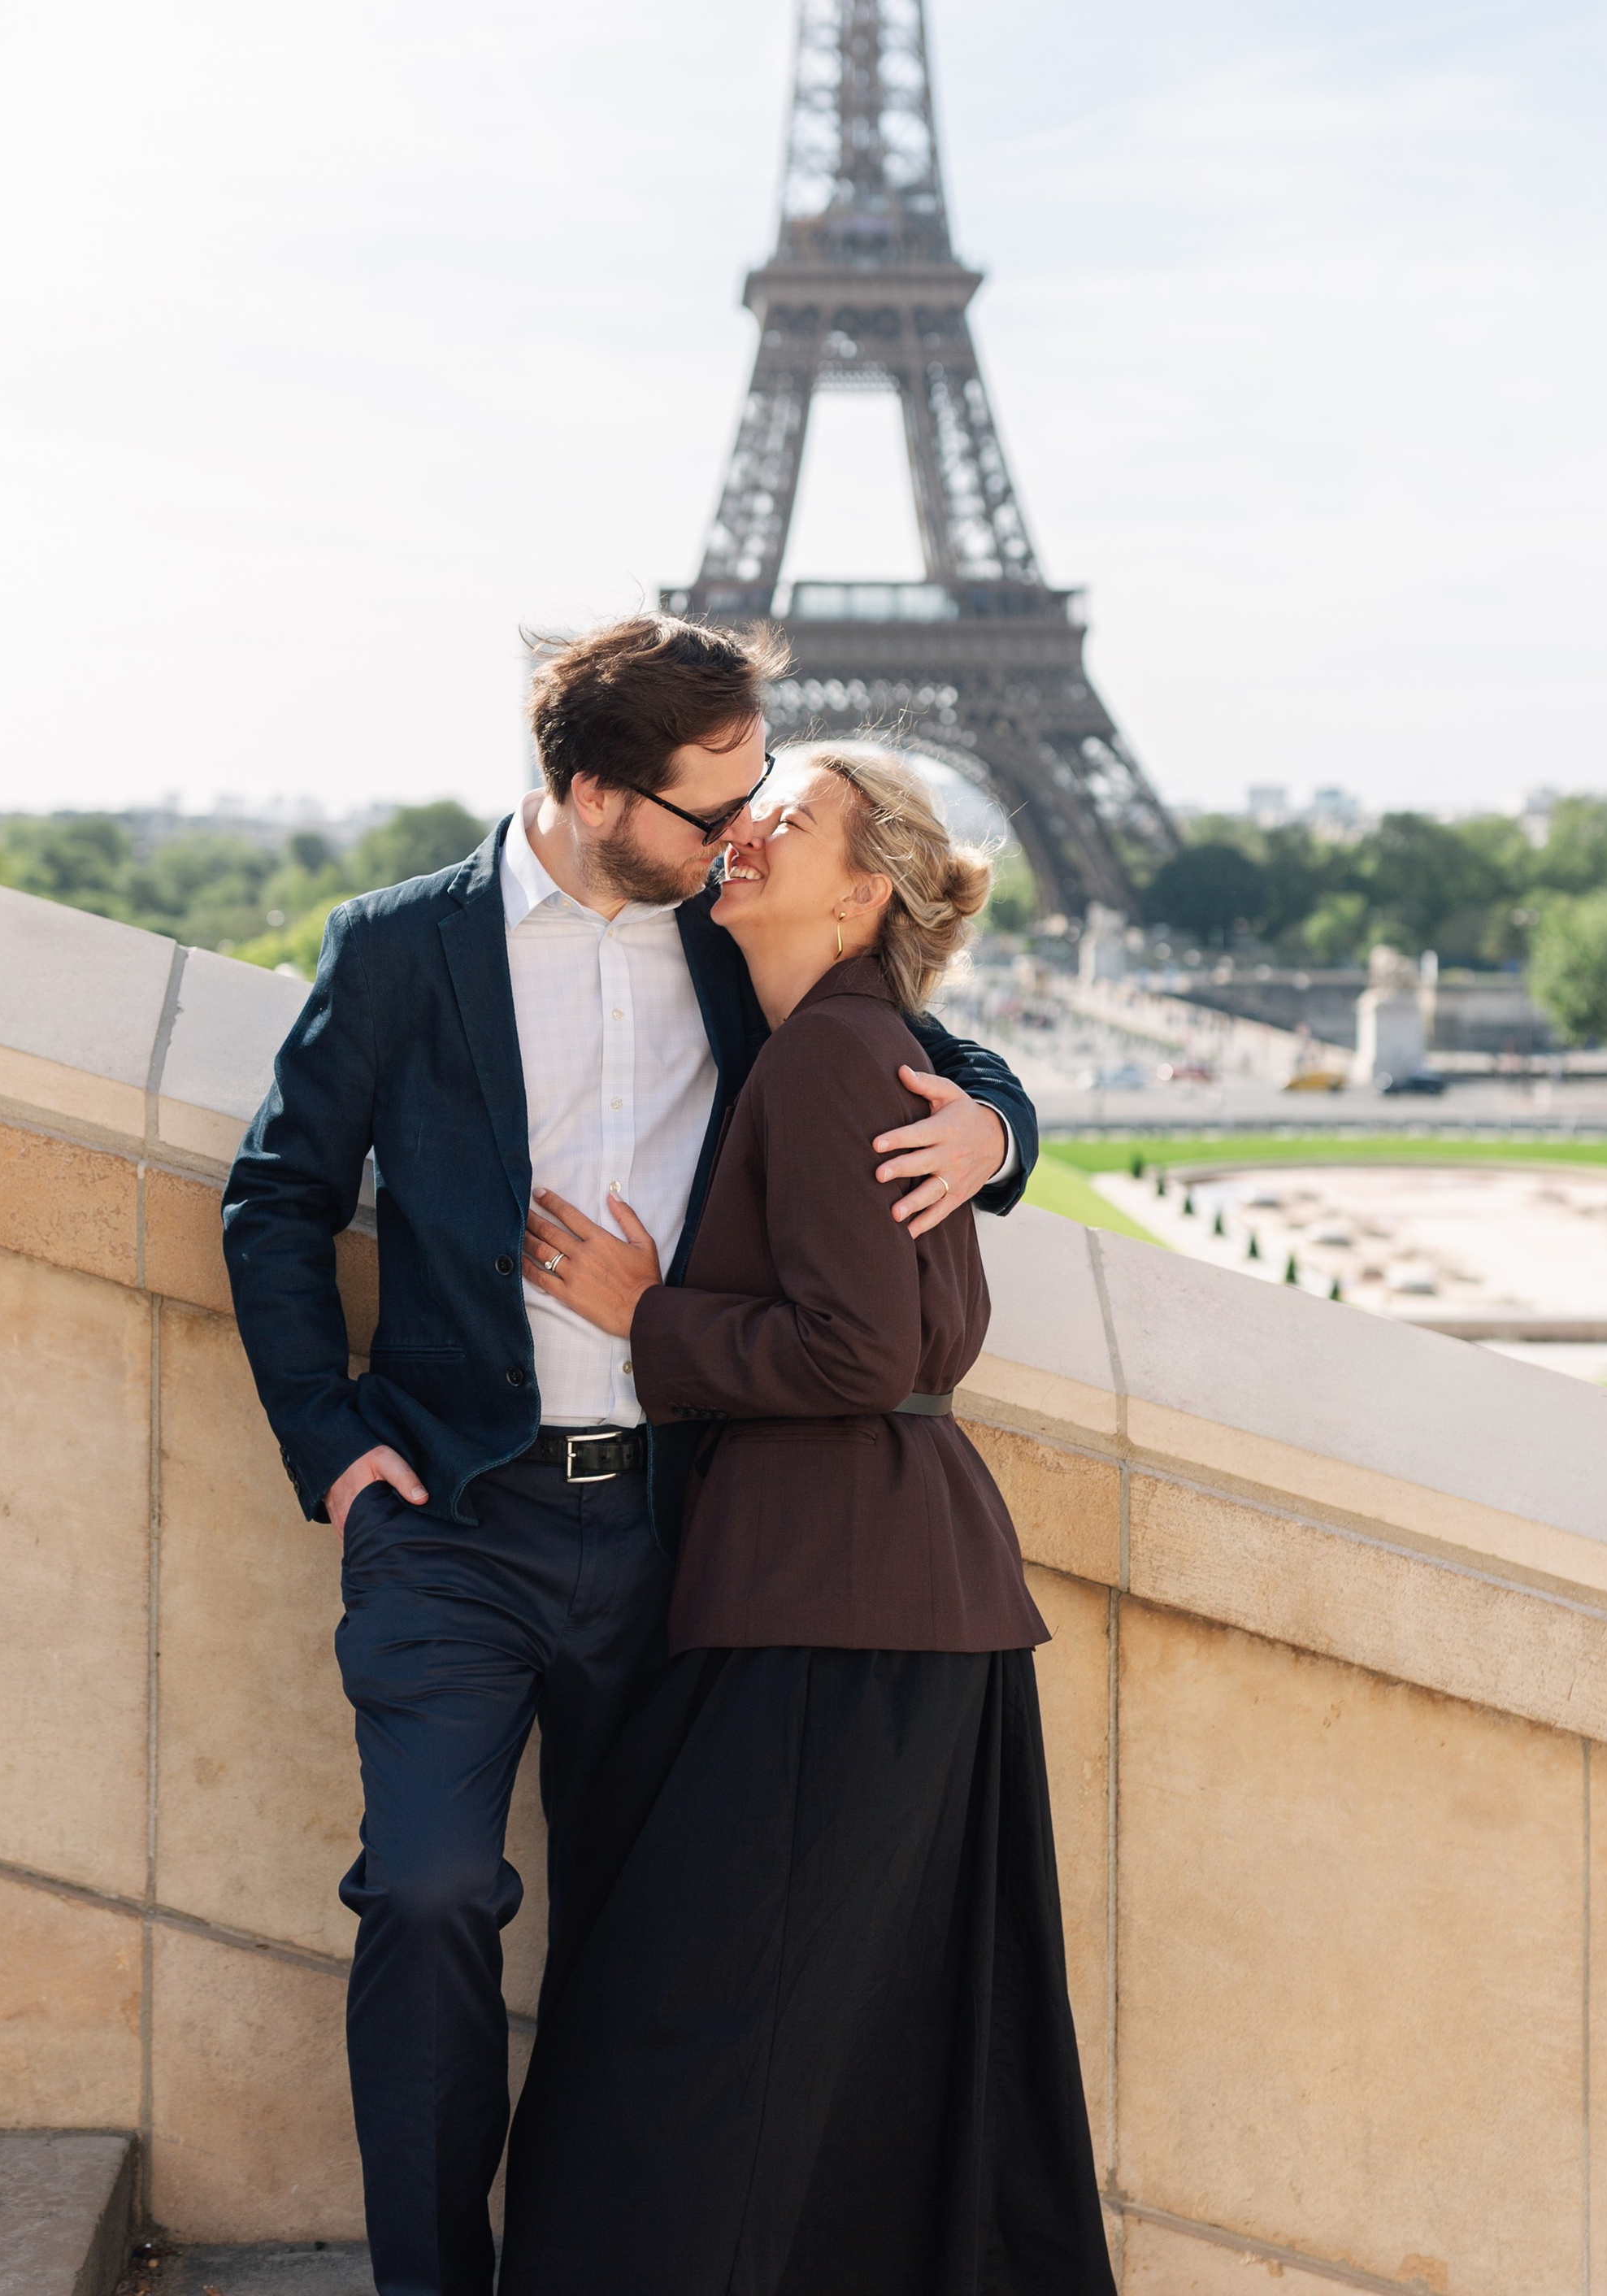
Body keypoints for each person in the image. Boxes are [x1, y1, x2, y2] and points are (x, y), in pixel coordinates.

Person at [221, 616, 1040, 2296]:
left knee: (635, 1954)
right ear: (595, 792)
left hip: (682, 1529)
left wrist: (1000, 1125)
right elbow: (278, 1198)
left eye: (761, 798)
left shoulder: (731, 945)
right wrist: (332, 1443)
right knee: (430, 1896)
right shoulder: (399, 947)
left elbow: (903, 1037)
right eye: (711, 807)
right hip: (454, 1518)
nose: (741, 835)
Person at [500, 746, 1112, 2296]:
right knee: (857, 2044)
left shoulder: (835, 1053)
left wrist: (649, 1316)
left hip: (834, 1602)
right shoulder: (839, 1038)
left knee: (690, 2028)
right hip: (880, 1592)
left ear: (861, 899)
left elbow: (861, 1354)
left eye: (791, 816)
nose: (749, 827)